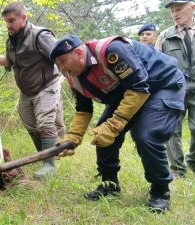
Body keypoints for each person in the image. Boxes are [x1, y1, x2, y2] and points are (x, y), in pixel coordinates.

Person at [50, 34, 186, 212]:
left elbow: (139, 87)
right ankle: (110, 185)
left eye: (62, 60)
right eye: (57, 64)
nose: (61, 68)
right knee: (102, 134)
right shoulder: (73, 77)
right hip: (130, 93)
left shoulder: (111, 50)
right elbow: (83, 109)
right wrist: (73, 137)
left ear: (78, 53)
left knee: (146, 136)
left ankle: (160, 191)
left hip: (162, 85)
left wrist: (114, 125)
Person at [0, 2, 64, 179]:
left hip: (46, 86)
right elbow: (8, 62)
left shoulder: (40, 35)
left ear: (24, 18)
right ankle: (45, 156)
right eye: (6, 21)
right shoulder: (11, 40)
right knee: (31, 125)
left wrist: (68, 76)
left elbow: (59, 55)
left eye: (12, 20)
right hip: (26, 91)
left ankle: (49, 165)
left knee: (45, 123)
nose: (8, 25)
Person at [155, 0, 195, 179]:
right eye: (172, 11)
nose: (175, 14)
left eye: (178, 9)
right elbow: (157, 64)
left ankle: (194, 162)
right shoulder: (164, 36)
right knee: (172, 130)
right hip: (174, 89)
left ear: (193, 7)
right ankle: (177, 169)